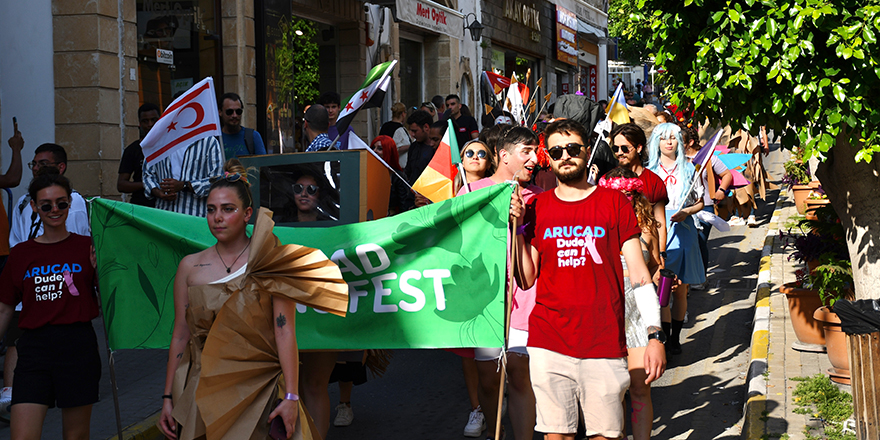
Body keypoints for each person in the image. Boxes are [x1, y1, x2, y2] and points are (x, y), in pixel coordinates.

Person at [158, 160, 348, 440]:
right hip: (202, 388)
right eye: (211, 210)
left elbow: (284, 331)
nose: (217, 217)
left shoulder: (269, 261)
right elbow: (180, 335)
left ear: (247, 214)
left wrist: (292, 396)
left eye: (227, 209)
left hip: (260, 389)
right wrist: (167, 396)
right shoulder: (189, 267)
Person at [512, 119, 665, 440]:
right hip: (549, 342)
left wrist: (654, 335)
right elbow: (526, 279)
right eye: (556, 151)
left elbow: (639, 274)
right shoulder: (538, 207)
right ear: (548, 159)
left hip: (604, 341)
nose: (564, 155)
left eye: (572, 148)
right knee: (557, 435)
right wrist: (516, 230)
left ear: (587, 153)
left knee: (606, 435)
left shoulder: (614, 204)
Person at [0, 170, 101, 440]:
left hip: (77, 346)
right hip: (34, 348)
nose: (54, 210)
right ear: (34, 206)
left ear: (70, 203)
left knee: (75, 436)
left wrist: (100, 270)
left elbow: (107, 300)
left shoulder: (88, 246)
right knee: (22, 435)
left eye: (62, 203)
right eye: (46, 205)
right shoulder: (21, 253)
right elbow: (5, 307)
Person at [461, 126, 542, 440]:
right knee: (490, 378)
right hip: (486, 299)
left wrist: (520, 222)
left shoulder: (538, 198)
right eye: (527, 152)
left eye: (536, 151)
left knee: (521, 374)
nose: (534, 158)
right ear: (504, 155)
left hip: (526, 294)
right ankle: (498, 429)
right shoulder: (471, 192)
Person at [598, 167, 664, 440]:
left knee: (640, 387)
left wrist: (661, 290)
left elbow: (657, 265)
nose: (623, 198)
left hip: (637, 311)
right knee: (612, 390)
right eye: (617, 193)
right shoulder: (598, 227)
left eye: (629, 193)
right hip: (606, 309)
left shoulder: (647, 229)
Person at [647, 122, 706, 355]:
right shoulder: (649, 171)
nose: (669, 142)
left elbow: (701, 202)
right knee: (662, 288)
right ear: (656, 142)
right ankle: (664, 335)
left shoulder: (691, 169)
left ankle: (675, 339)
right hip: (659, 230)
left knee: (681, 290)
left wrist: (687, 212)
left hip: (685, 231)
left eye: (673, 138)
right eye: (664, 138)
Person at [681, 122, 732, 290]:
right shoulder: (676, 160)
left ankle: (701, 276)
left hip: (705, 208)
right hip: (682, 207)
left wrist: (721, 190)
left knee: (699, 241)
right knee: (685, 243)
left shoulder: (709, 158)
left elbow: (727, 174)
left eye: (680, 140)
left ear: (689, 142)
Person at [611, 123, 668, 266]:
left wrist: (661, 252)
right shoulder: (609, 180)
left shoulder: (653, 181)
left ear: (639, 148)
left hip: (647, 251)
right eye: (615, 148)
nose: (619, 153)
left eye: (624, 148)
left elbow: (659, 221)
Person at [142, 136, 224, 217]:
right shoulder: (158, 140)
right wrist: (157, 192)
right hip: (164, 216)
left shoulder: (208, 141)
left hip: (194, 217)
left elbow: (216, 181)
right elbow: (148, 175)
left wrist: (185, 185)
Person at [118, 103, 161, 207]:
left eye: (153, 120)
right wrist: (148, 184)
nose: (150, 124)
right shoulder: (132, 150)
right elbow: (121, 185)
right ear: (140, 123)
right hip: (142, 207)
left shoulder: (171, 146)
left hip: (167, 207)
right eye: (145, 121)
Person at [370, 135, 413, 215]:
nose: (374, 151)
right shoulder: (367, 172)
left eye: (380, 148)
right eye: (373, 147)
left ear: (388, 151)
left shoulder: (397, 176)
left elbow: (403, 205)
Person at [219, 92, 266, 158]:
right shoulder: (215, 139)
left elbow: (263, 164)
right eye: (229, 112)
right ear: (220, 112)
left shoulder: (253, 136)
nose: (234, 115)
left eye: (238, 111)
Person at [404, 110, 435, 186]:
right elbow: (409, 171)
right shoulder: (413, 147)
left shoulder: (436, 148)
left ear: (426, 127)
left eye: (415, 131)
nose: (413, 135)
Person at [378, 102, 412, 168]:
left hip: (384, 163)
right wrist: (411, 146)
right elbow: (397, 148)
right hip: (397, 167)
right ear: (403, 114)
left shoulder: (385, 126)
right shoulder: (400, 130)